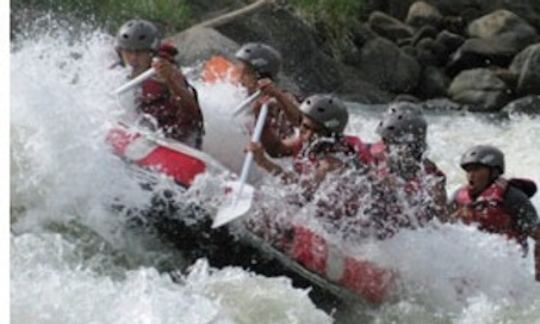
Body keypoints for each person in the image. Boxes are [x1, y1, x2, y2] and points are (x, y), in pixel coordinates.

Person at [449, 145, 540, 281]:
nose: (471, 175)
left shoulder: (513, 198)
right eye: (468, 170)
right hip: (470, 263)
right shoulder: (459, 196)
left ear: (494, 172)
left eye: (477, 169)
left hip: (507, 269)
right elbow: (442, 227)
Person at [115, 19, 204, 148]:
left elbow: (192, 111)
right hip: (144, 134)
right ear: (120, 52)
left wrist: (170, 81)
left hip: (176, 141)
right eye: (128, 51)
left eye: (140, 52)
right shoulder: (116, 72)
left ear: (151, 52)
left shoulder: (168, 71)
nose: (133, 58)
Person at [365, 102, 448, 238]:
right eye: (384, 140)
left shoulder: (431, 177)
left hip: (400, 235)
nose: (385, 146)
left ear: (411, 147)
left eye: (390, 142)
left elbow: (440, 221)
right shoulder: (370, 153)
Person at [234, 42, 300, 144]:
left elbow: (299, 120)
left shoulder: (277, 99)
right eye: (238, 71)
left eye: (245, 73)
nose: (239, 78)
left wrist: (278, 96)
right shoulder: (239, 92)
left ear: (260, 76)